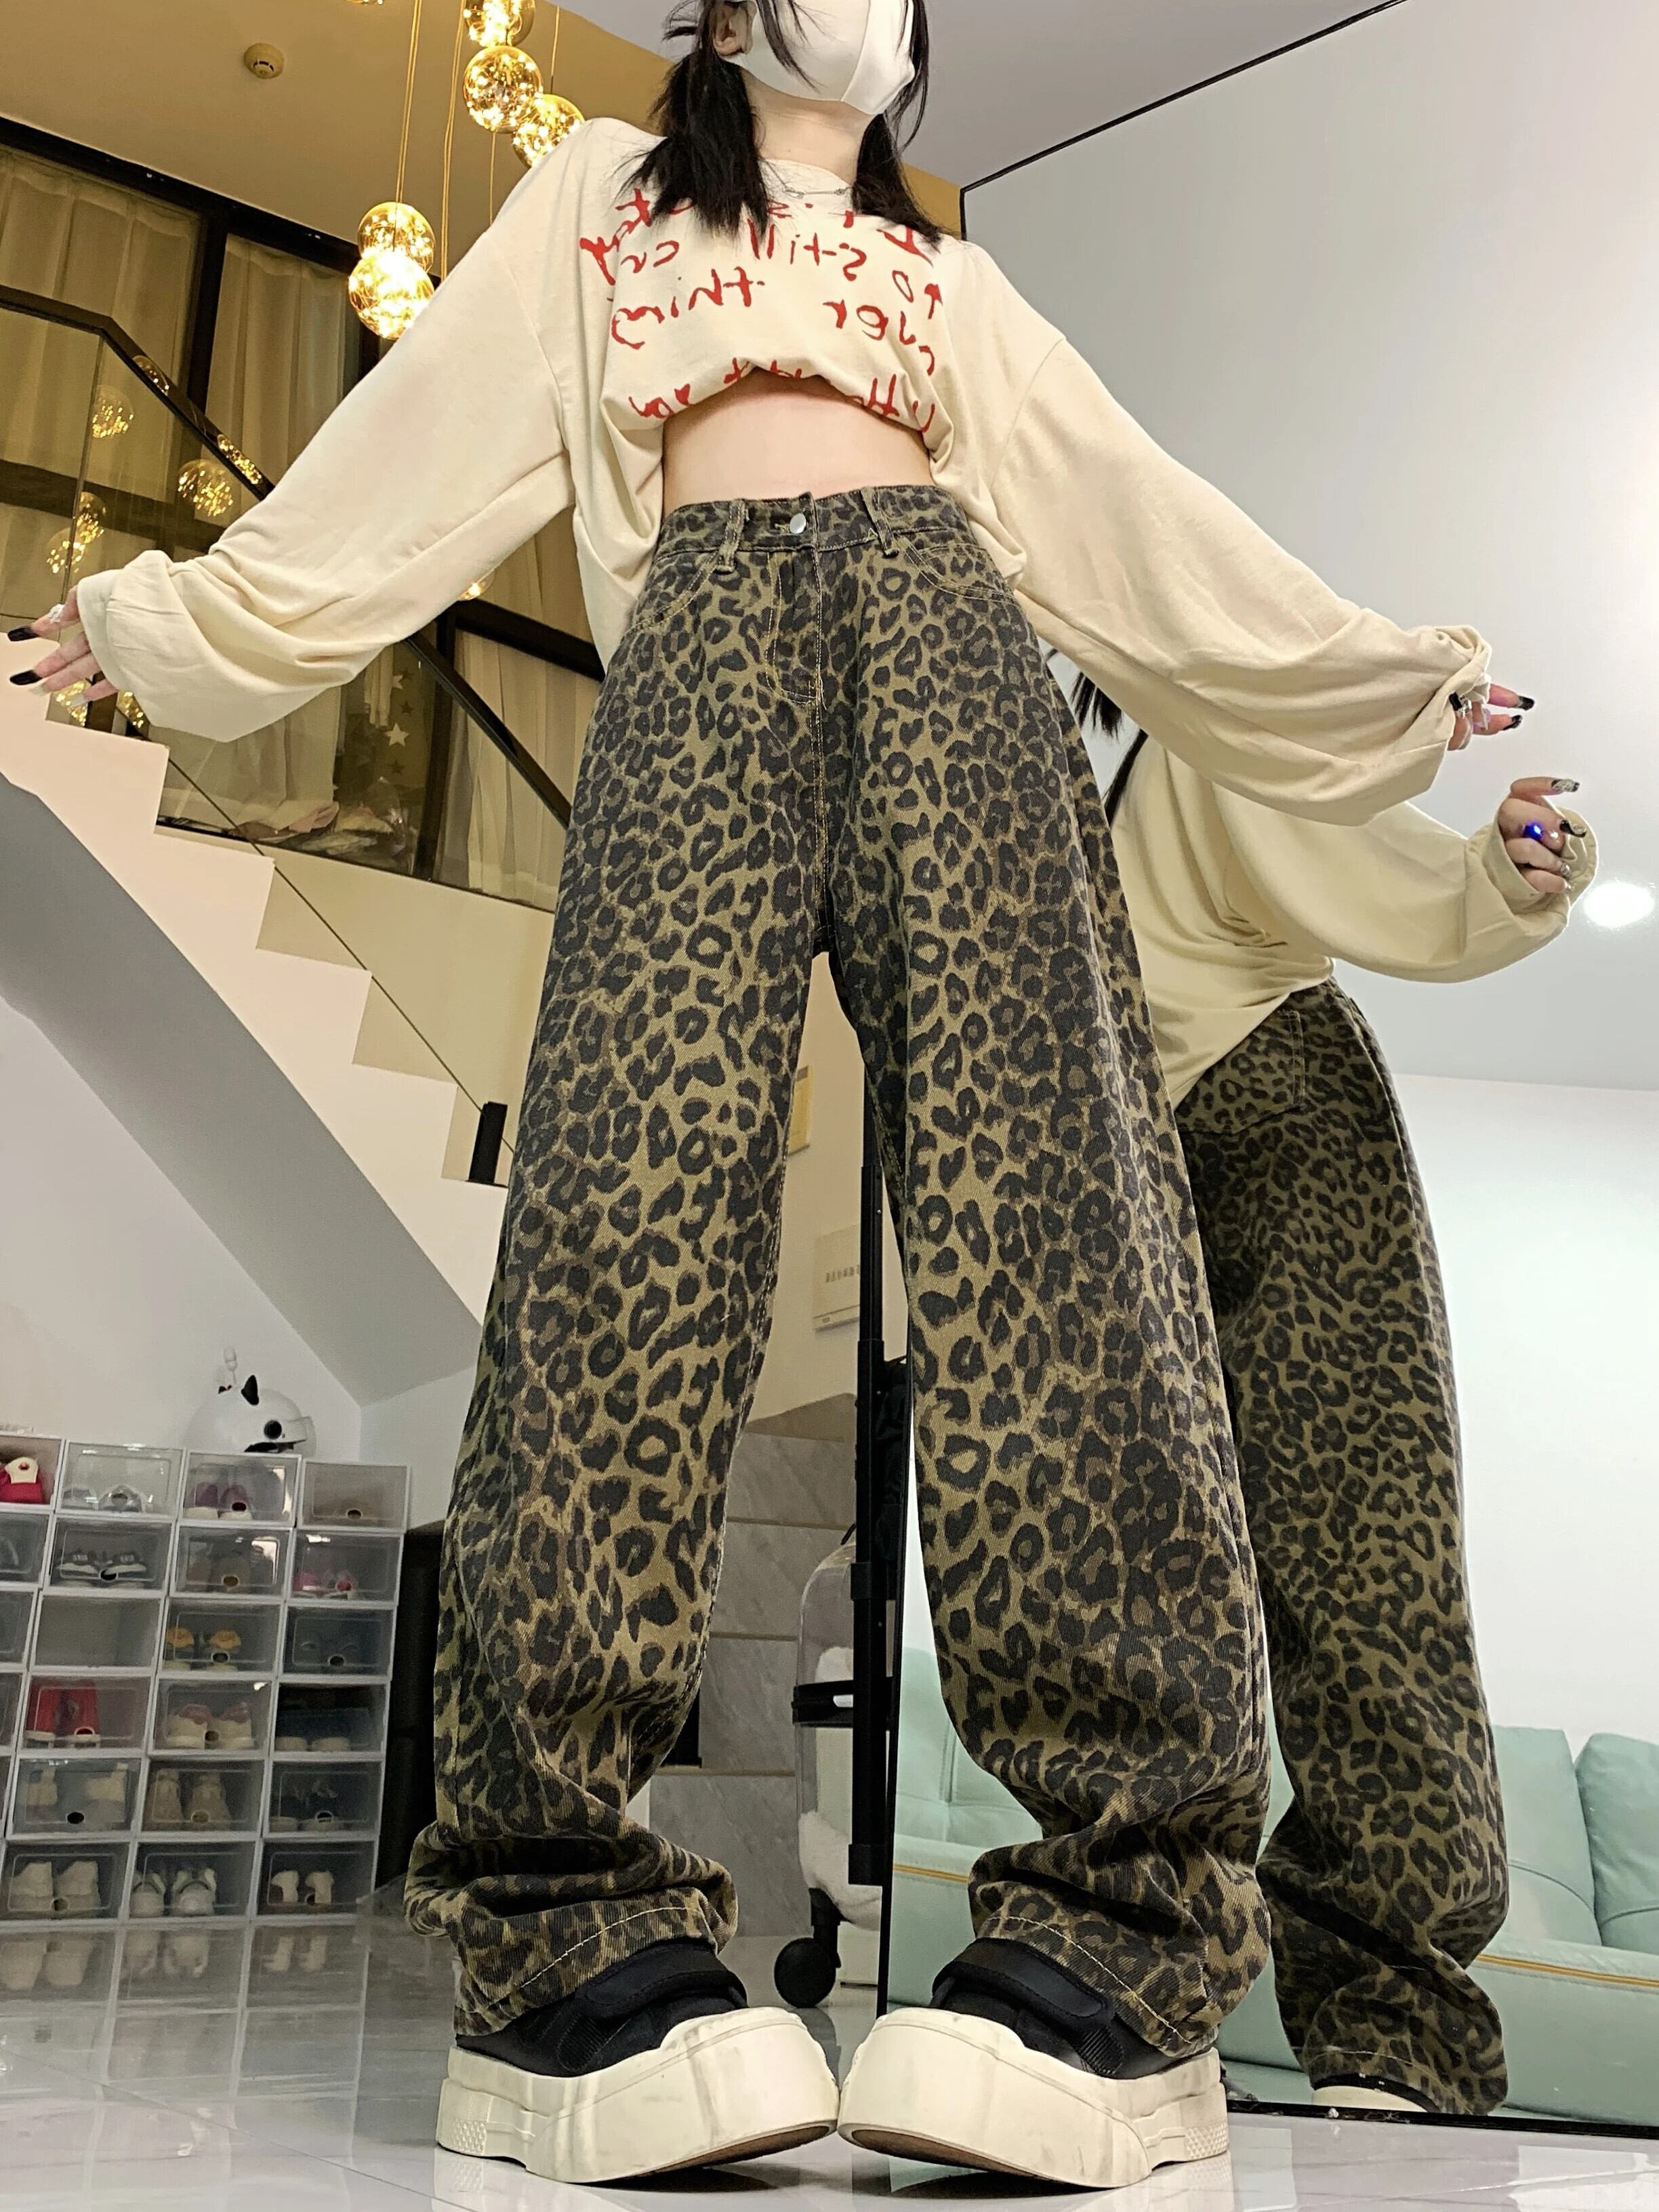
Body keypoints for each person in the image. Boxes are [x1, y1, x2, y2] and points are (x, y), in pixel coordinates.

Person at [9, 0, 1525, 2187]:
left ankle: (1121, 1923)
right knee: (620, 1217)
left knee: (1059, 1220)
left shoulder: (945, 287)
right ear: (721, 17)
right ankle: (554, 1917)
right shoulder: (597, 207)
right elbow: (412, 464)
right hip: (699, 658)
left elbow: (1134, 527)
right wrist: (177, 628)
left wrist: (1379, 681)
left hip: (955, 648)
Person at [1080, 682, 1593, 2118]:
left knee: (1359, 1566)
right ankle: (1139, 1971)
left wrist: (1495, 868)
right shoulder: (1046, 744)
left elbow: (1326, 806)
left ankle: (1395, 2029)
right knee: (1138, 1594)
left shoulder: (1194, 682)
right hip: (1121, 1150)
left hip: (1275, 1103)